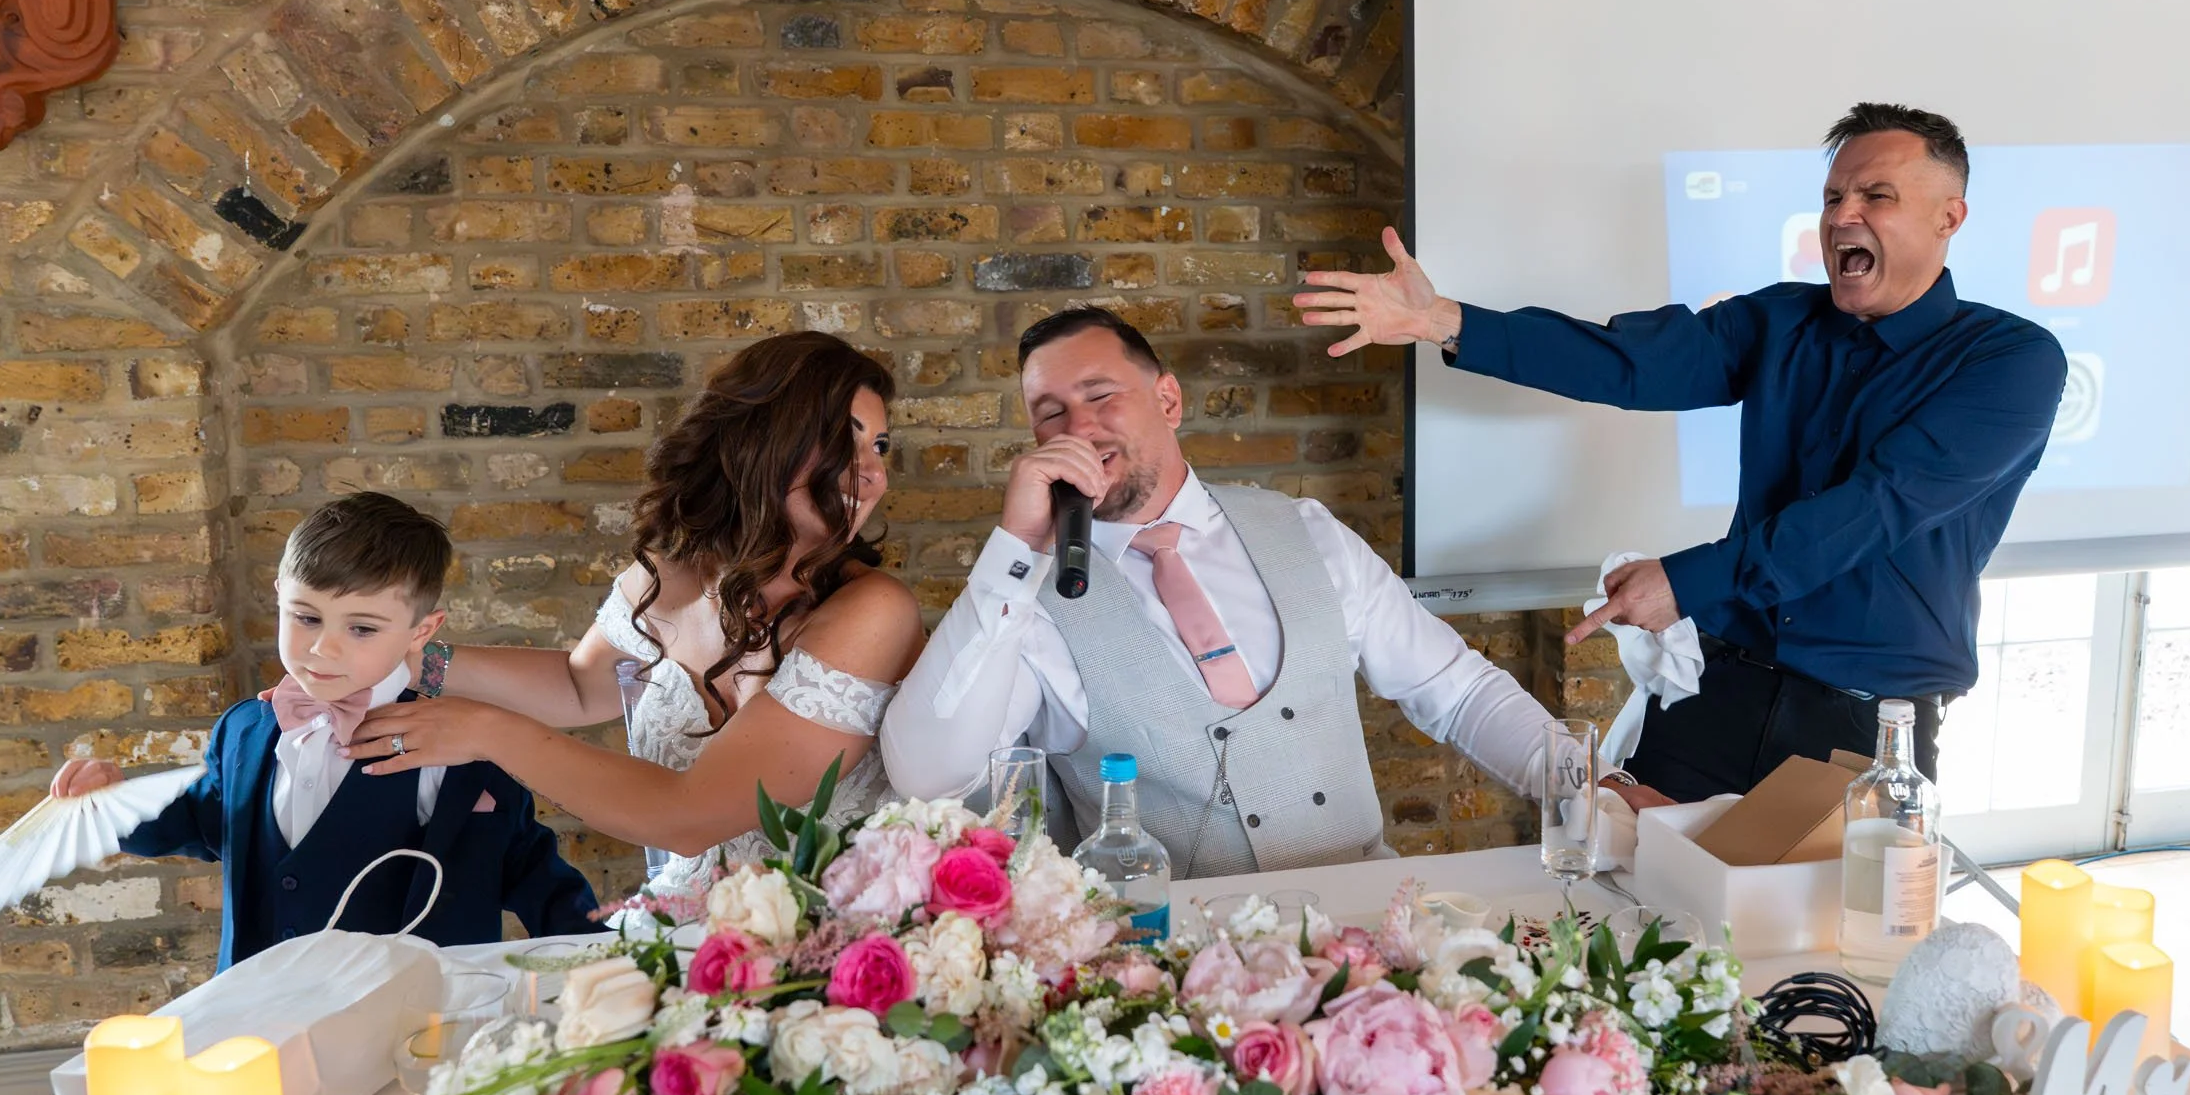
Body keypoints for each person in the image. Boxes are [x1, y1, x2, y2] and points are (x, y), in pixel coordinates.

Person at [1296, 102, 2067, 801]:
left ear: (1949, 216)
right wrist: (1446, 320)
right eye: (1833, 197)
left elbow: (1874, 509)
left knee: (1830, 921)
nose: (1841, 216)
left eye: (1876, 196)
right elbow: (1628, 361)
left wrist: (1686, 580)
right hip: (1717, 694)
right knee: (1627, 894)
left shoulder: (2011, 361)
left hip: (1862, 734)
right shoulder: (1782, 320)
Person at [878, 307, 1577, 878]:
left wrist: (1587, 785)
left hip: (1366, 930)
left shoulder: (1307, 531)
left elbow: (1459, 692)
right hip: (1168, 970)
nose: (1079, 428)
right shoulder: (1028, 603)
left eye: (1100, 395)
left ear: (1168, 399)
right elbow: (928, 776)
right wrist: (1016, 547)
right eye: (1050, 413)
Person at [343, 332, 925, 895]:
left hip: (824, 945)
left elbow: (689, 816)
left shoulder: (873, 612)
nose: (873, 472)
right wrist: (401, 661)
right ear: (763, 439)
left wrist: (483, 730)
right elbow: (578, 685)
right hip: (678, 929)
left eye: (880, 446)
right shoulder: (671, 576)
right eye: (844, 441)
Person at [46, 493, 601, 967]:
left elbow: (532, 871)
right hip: (263, 1015)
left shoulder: (460, 744)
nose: (321, 648)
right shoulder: (245, 728)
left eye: (361, 628)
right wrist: (111, 805)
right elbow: (202, 821)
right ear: (278, 596)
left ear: (422, 631)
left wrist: (612, 960)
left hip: (413, 1023)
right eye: (306, 617)